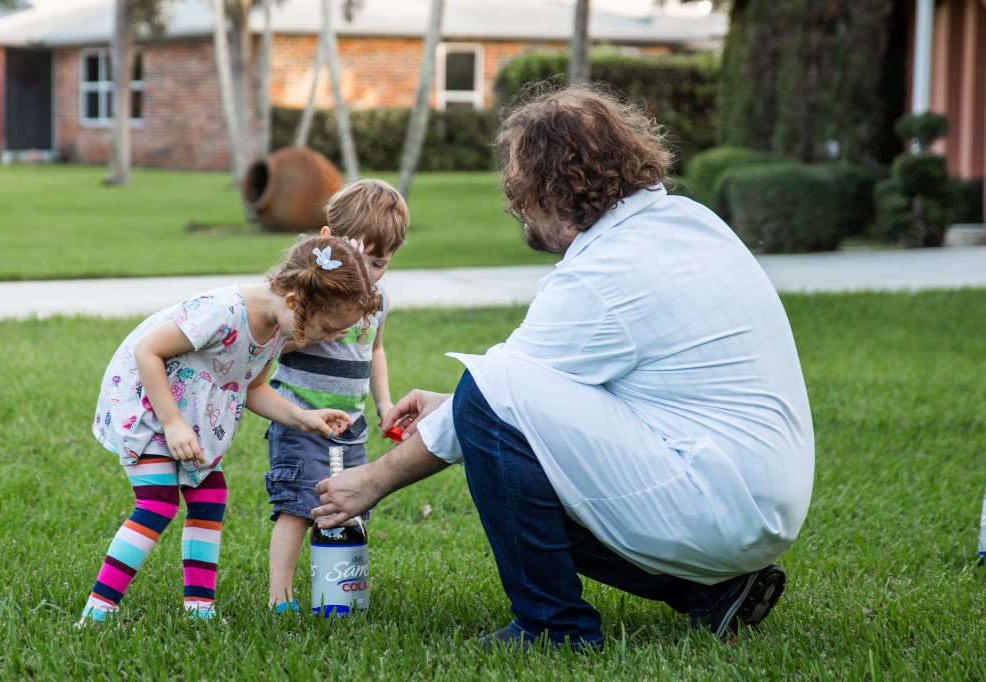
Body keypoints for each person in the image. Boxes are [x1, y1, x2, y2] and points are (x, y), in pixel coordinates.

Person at [313, 85, 815, 649]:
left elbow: (499, 392)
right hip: (759, 497)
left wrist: (370, 482)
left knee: (489, 399)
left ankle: (554, 626)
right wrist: (458, 407)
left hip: (715, 500)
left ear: (547, 188)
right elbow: (533, 389)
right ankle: (715, 592)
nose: (514, 202)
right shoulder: (688, 220)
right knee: (494, 410)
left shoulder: (603, 272)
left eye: (518, 183)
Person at [77, 235, 380, 626]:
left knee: (211, 497)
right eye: (327, 329)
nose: (329, 340)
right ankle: (97, 612)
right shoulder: (222, 312)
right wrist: (172, 423)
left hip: (188, 416)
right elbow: (148, 351)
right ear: (294, 303)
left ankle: (200, 610)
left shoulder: (277, 331)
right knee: (158, 502)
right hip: (150, 406)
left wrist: (302, 417)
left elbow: (250, 387)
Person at [264, 179, 409, 613]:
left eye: (378, 264)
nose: (366, 274)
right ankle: (281, 597)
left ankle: (341, 591)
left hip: (351, 427)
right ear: (327, 242)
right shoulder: (306, 294)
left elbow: (375, 350)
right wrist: (313, 332)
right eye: (360, 260)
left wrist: (384, 405)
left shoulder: (379, 300)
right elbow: (273, 344)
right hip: (299, 420)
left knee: (350, 506)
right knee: (298, 506)